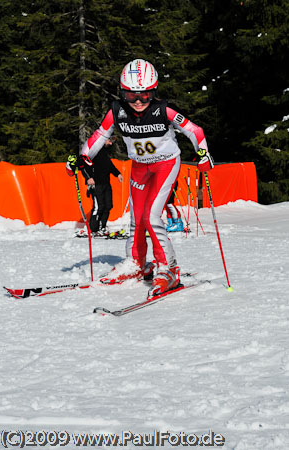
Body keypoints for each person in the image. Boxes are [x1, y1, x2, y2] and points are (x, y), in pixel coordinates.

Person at [67, 59, 213, 296]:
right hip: (139, 167)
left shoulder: (164, 110)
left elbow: (194, 130)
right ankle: (137, 264)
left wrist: (204, 155)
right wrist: (83, 157)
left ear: (153, 92)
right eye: (130, 95)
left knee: (152, 216)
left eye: (144, 96)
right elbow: (99, 134)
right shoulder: (117, 111)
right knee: (136, 219)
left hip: (165, 165)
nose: (137, 101)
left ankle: (169, 269)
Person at [80, 139, 123, 237]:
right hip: (96, 183)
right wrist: (88, 178)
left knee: (108, 205)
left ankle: (102, 227)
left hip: (106, 183)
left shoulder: (105, 152)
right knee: (98, 206)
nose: (111, 143)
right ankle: (93, 229)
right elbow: (83, 165)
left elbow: (109, 165)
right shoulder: (93, 151)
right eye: (109, 141)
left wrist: (118, 174)